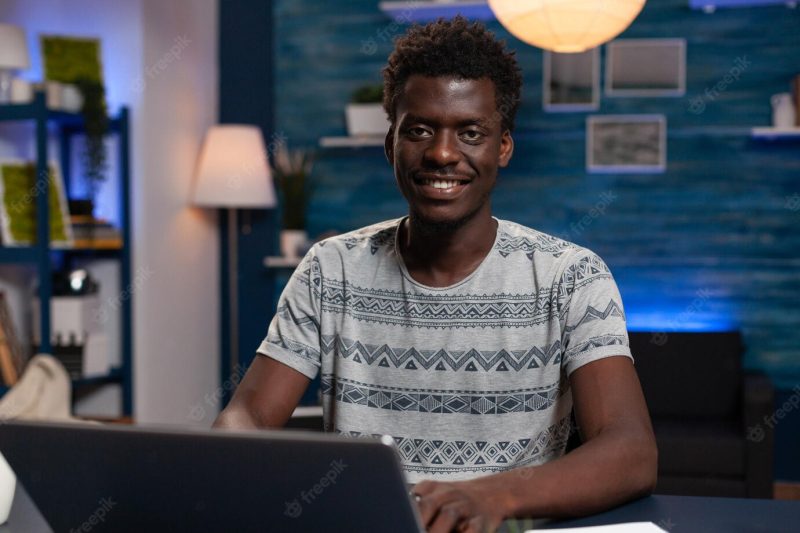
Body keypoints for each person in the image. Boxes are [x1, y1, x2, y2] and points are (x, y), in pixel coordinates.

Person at [214, 16, 657, 532]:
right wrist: (229, 456)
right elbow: (247, 417)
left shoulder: (572, 277)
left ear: (503, 147)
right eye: (419, 130)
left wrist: (488, 497)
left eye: (471, 132)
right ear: (391, 144)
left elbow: (631, 452)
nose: (443, 154)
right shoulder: (329, 269)